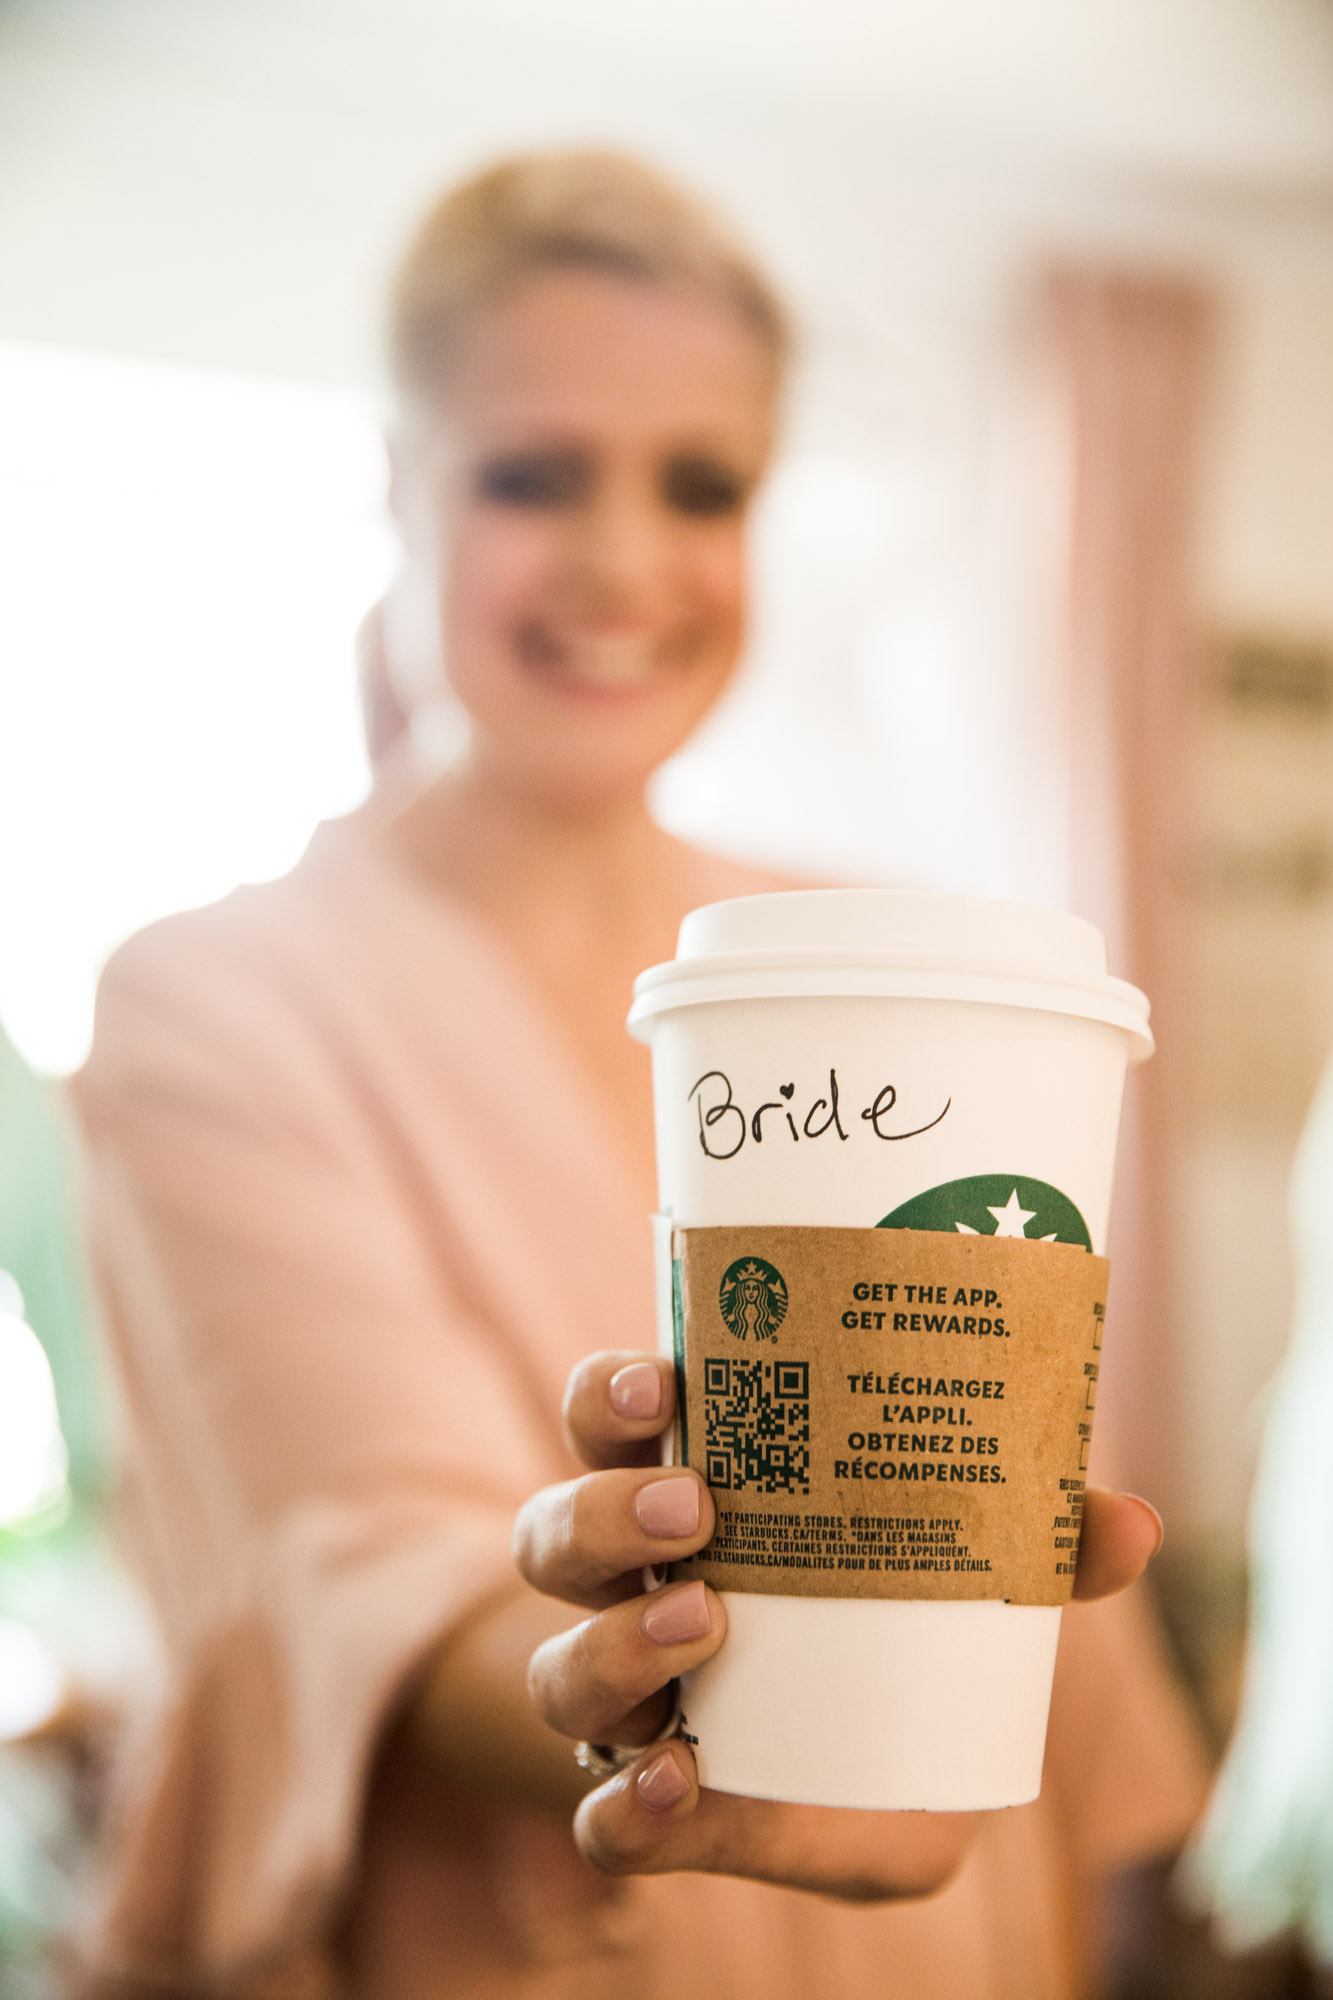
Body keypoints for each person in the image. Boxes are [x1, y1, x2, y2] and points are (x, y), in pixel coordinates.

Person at [73, 150, 1206, 1998]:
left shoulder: (874, 955)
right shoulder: (213, 999)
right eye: (533, 473)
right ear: (399, 487)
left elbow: (1030, 1533)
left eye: (701, 484)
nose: (622, 560)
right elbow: (366, 1582)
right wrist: (631, 1720)